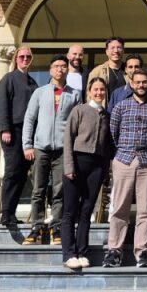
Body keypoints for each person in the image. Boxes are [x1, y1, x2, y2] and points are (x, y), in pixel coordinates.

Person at [106, 69, 147, 268]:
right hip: (124, 159)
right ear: (131, 84)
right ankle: (114, 251)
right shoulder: (121, 107)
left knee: (146, 210)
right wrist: (123, 154)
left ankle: (143, 253)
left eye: (145, 82)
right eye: (138, 82)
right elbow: (113, 134)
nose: (141, 85)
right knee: (119, 208)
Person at [21, 54, 81, 244]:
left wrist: (74, 149)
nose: (60, 69)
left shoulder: (75, 94)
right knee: (38, 189)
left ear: (67, 70)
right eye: (56, 66)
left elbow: (78, 124)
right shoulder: (39, 93)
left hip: (63, 149)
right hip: (40, 148)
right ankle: (37, 227)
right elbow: (29, 119)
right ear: (50, 70)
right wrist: (27, 145)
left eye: (63, 66)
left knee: (59, 190)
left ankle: (56, 227)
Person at [61, 76, 113, 269]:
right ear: (89, 91)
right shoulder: (79, 110)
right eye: (96, 89)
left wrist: (105, 171)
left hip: (97, 166)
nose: (99, 92)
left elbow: (107, 147)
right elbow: (68, 139)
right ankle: (69, 253)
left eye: (102, 90)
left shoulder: (106, 115)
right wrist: (69, 167)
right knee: (70, 211)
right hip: (77, 161)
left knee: (86, 210)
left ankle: (82, 251)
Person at [0, 44, 40, 227]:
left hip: (29, 134)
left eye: (28, 57)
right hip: (13, 130)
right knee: (12, 172)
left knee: (22, 173)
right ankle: (6, 213)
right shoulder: (8, 79)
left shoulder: (33, 82)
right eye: (22, 57)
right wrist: (5, 128)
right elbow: (1, 104)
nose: (25, 60)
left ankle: (11, 213)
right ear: (16, 59)